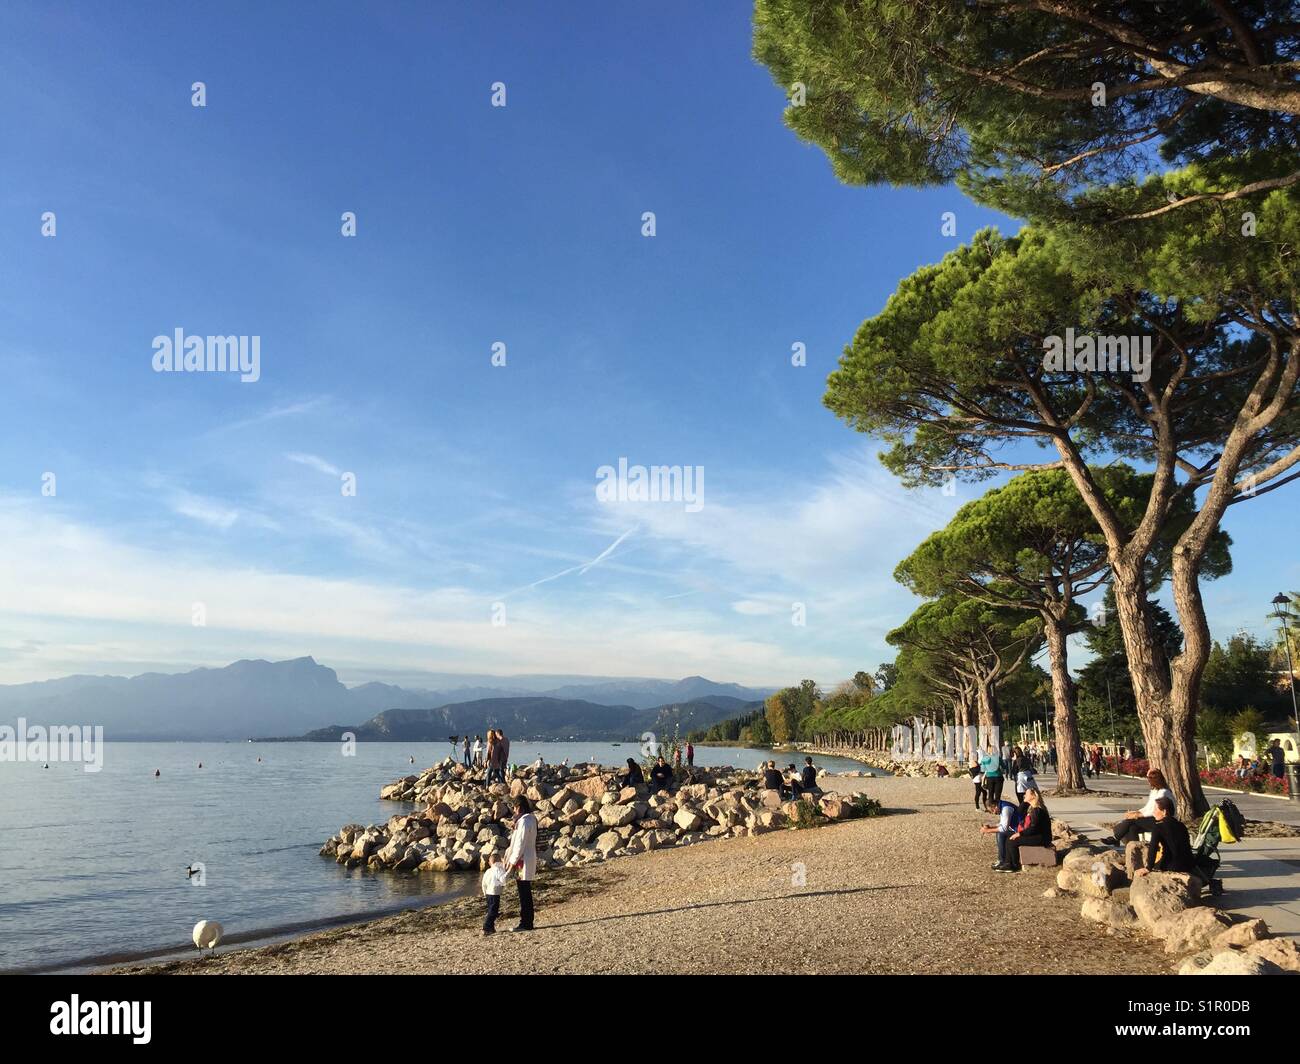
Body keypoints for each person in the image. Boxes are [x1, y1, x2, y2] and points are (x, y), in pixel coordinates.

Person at [1101, 769, 1174, 846]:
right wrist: (1135, 812)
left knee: (1131, 821)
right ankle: (1134, 850)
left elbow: (1154, 810)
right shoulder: (1155, 791)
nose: (1148, 781)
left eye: (1149, 778)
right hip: (1154, 818)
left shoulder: (1163, 792)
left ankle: (1115, 839)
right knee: (1132, 827)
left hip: (1163, 820)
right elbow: (1148, 807)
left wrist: (1137, 815)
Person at [1134, 797, 1193, 876]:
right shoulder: (1181, 825)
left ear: (1164, 811)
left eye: (1156, 809)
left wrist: (1148, 868)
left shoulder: (1159, 827)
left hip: (1170, 865)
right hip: (1188, 864)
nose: (1153, 812)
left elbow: (1153, 848)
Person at [999, 787, 1051, 872]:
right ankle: (1007, 863)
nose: (1024, 795)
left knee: (1012, 840)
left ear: (1033, 796)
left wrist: (1020, 834)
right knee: (1009, 835)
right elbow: (1019, 811)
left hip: (1042, 838)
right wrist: (1025, 801)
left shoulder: (1038, 810)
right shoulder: (1033, 807)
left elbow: (1033, 828)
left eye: (1027, 794)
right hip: (1036, 835)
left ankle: (1014, 865)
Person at [504, 797, 537, 931]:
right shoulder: (531, 819)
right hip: (526, 857)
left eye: (514, 807)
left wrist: (511, 862)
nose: (513, 810)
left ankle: (526, 922)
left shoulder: (524, 822)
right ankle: (527, 921)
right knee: (525, 890)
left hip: (522, 860)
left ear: (519, 807)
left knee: (524, 891)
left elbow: (519, 844)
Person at [980, 795, 1022, 870]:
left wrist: (988, 831)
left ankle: (1002, 860)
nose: (993, 813)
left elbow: (1004, 828)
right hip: (1015, 828)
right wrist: (990, 827)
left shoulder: (1006, 809)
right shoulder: (1002, 806)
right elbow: (1002, 824)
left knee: (1000, 833)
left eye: (992, 810)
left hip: (1019, 830)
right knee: (999, 832)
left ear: (995, 806)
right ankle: (1002, 860)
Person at [481, 853, 509, 935]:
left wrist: (484, 892)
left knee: (490, 910)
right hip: (495, 893)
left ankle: (491, 928)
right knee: (493, 911)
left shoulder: (488, 871)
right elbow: (503, 880)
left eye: (489, 861)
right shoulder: (499, 869)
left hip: (488, 893)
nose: (488, 863)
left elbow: (483, 883)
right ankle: (486, 927)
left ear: (491, 862)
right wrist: (509, 871)